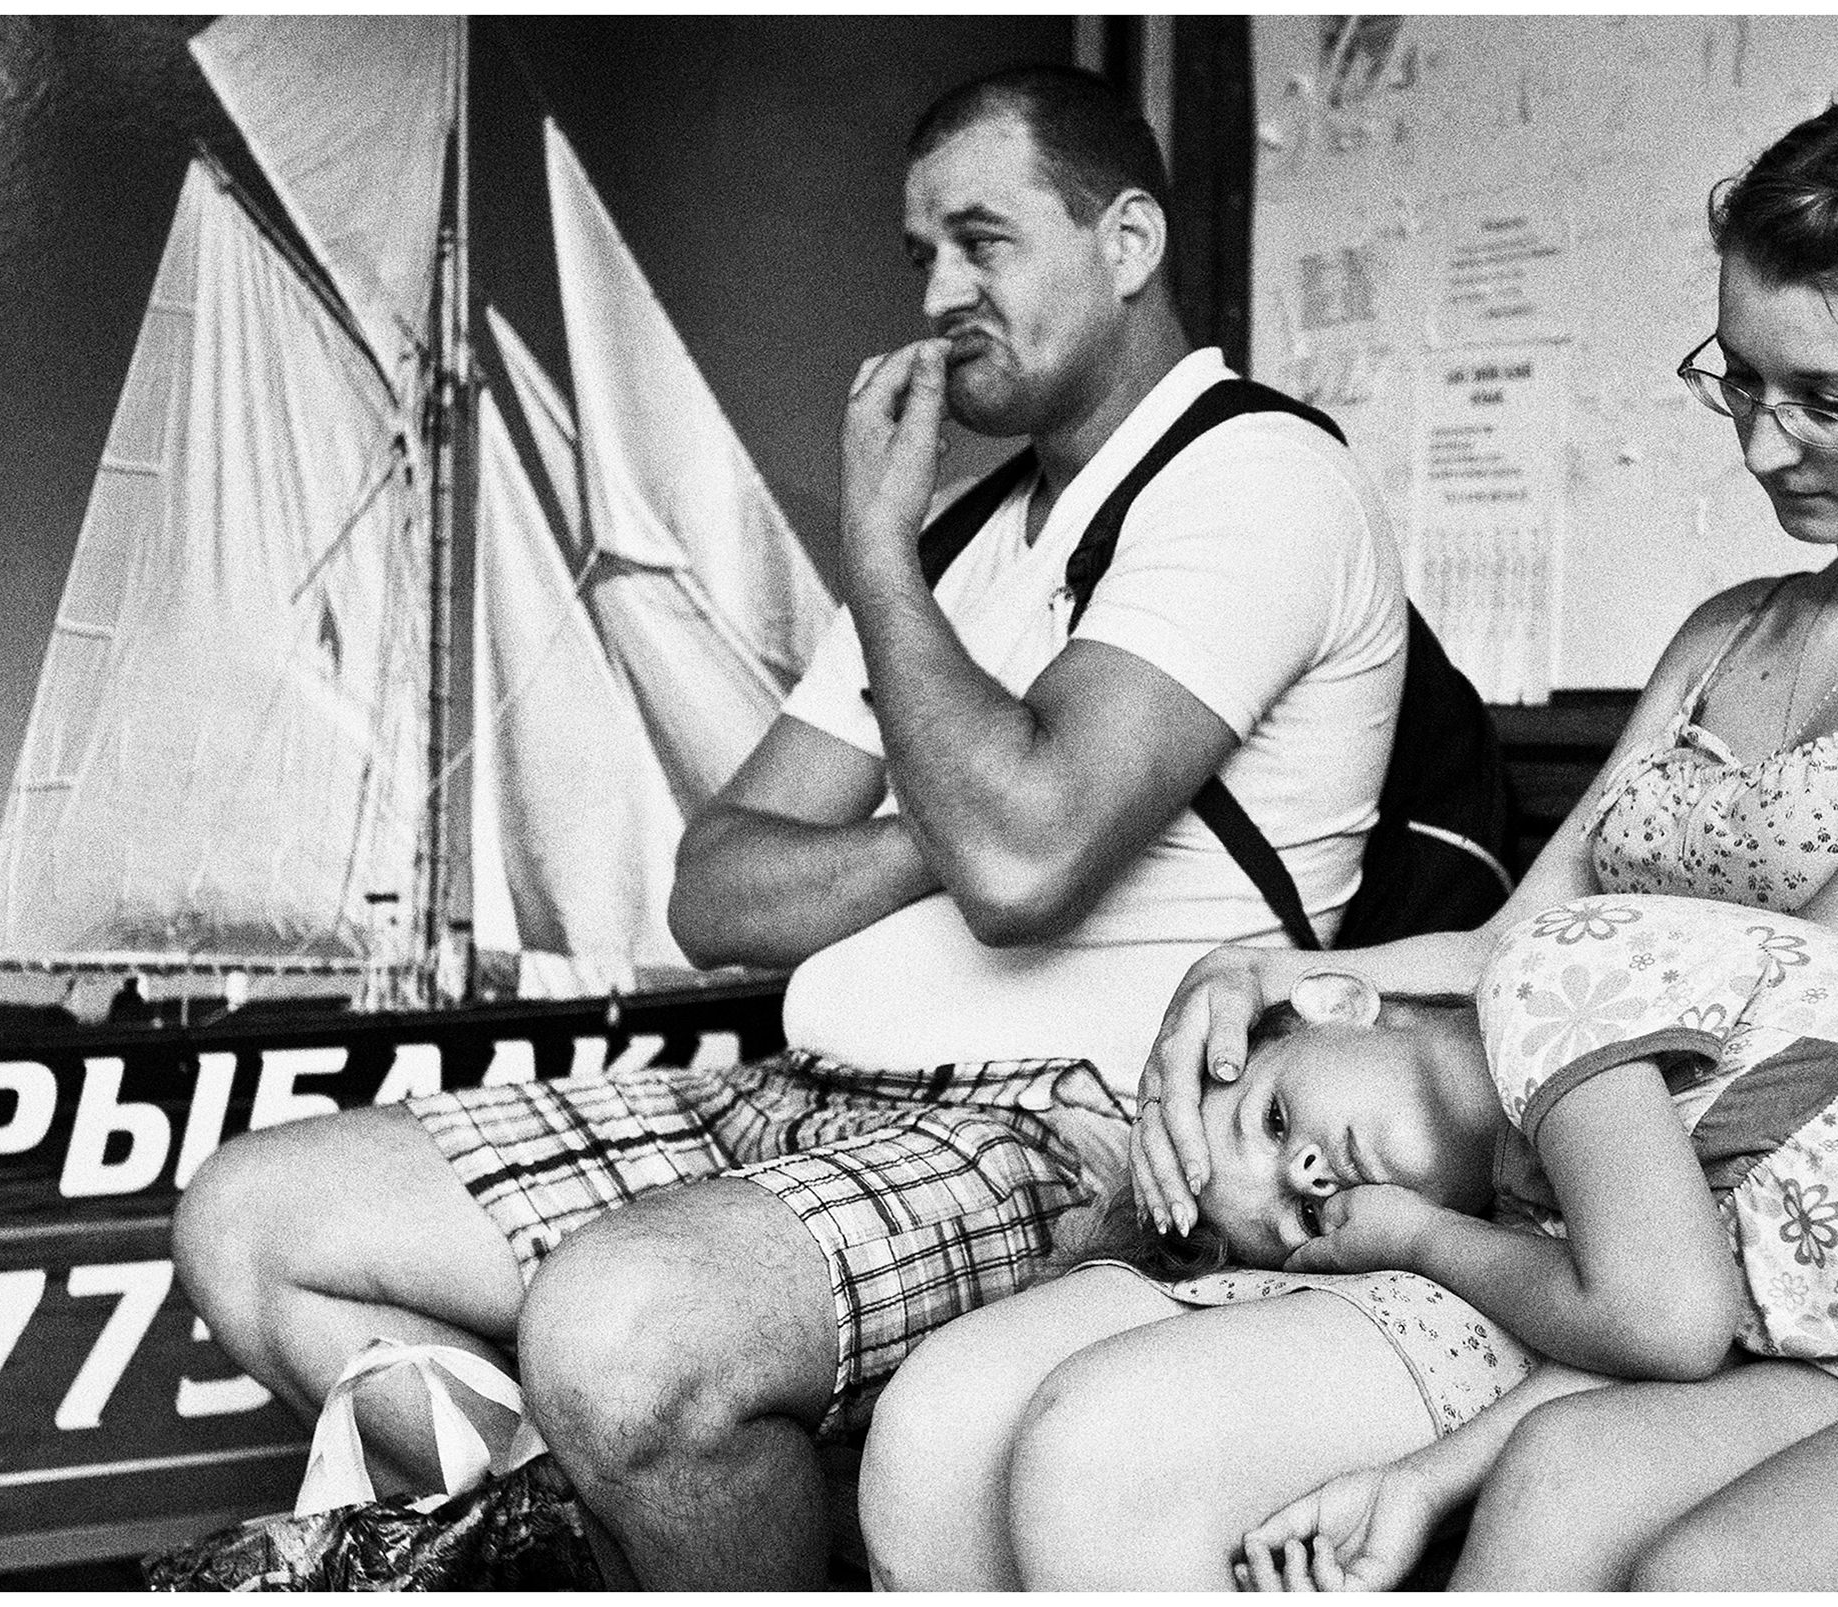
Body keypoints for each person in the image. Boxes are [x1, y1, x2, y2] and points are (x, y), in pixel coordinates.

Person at [859, 84, 1838, 1590]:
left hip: (1808, 1245)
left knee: (1102, 1439)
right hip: (1559, 1177)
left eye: (1825, 399)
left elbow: (1805, 990)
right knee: (940, 1423)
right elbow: (1525, 944)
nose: (1766, 447)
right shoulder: (1723, 633)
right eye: (1737, 382)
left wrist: (1419, 1190)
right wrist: (1278, 971)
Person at [170, 65, 1407, 1589]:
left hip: (1075, 1122)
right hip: (806, 1089)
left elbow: (1022, 863)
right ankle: (602, 1521)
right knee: (254, 1221)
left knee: (621, 1330)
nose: (942, 293)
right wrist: (927, 827)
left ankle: (632, 1503)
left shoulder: (1255, 474)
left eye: (984, 240)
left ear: (1132, 240)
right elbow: (722, 884)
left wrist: (878, 564)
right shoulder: (962, 531)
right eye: (921, 256)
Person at [1104, 901, 1838, 1589]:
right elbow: (1662, 1327)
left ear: (1338, 1001)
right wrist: (1417, 1480)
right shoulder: (1540, 1194)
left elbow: (1663, 1321)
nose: (1305, 1174)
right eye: (1294, 1215)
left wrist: (1417, 1234)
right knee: (1558, 1475)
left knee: (1708, 1576)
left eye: (1267, 1116)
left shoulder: (1544, 983)